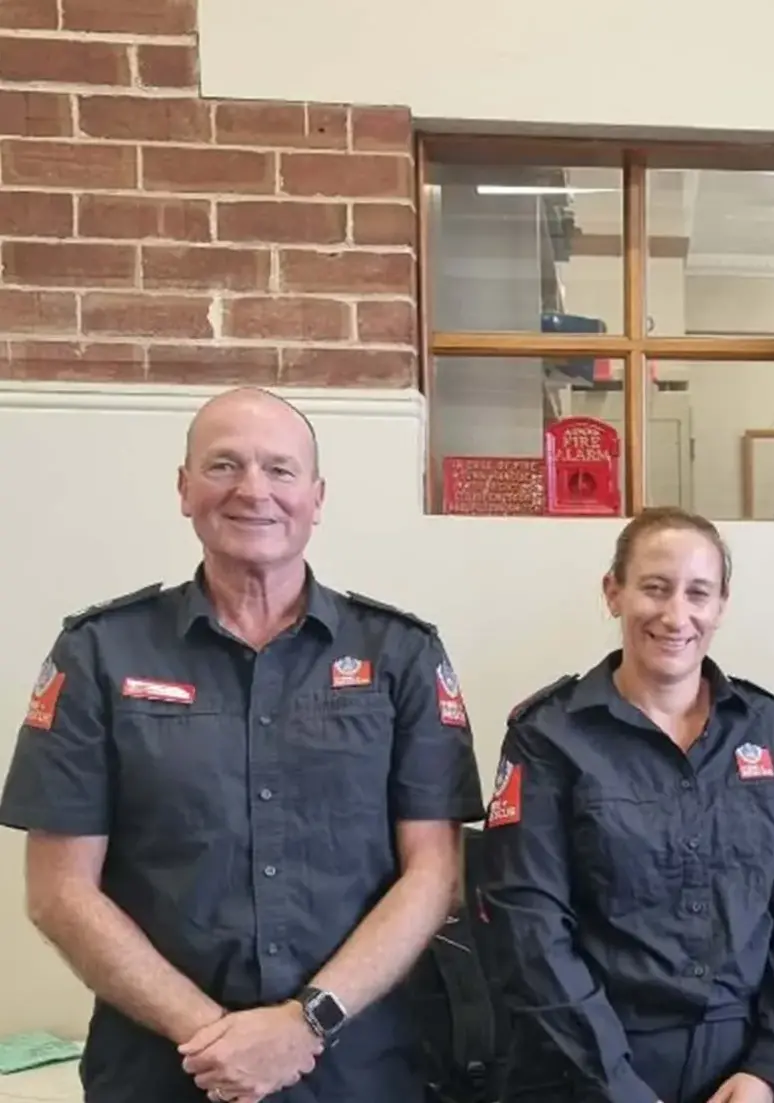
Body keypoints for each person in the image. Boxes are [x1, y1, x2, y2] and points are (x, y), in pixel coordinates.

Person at [0, 386, 488, 1103]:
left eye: (280, 469)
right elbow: (59, 890)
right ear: (184, 487)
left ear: (316, 496)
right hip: (163, 1071)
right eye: (224, 465)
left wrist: (305, 1022)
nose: (253, 489)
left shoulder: (400, 654)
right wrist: (214, 1037)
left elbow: (434, 873)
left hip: (361, 1071)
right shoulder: (100, 652)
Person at [473, 507, 774, 1103]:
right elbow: (529, 927)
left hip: (739, 1070)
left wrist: (771, 1068)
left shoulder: (773, 732)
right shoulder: (548, 736)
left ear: (721, 604)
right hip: (582, 1067)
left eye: (698, 593)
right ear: (613, 593)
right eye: (654, 588)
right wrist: (617, 1088)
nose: (676, 615)